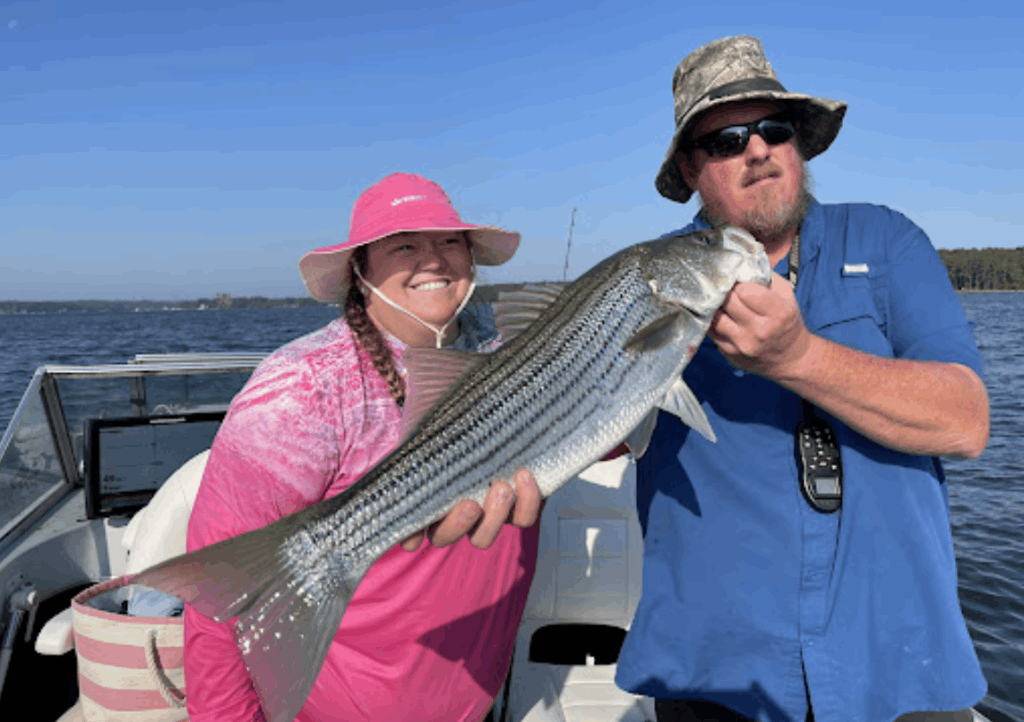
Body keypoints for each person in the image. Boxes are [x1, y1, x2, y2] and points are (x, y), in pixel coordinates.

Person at [614, 36, 990, 722]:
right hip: (716, 676)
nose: (757, 150)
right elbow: (575, 420)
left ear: (800, 146)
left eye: (774, 129)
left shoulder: (887, 243)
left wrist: (798, 358)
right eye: (726, 140)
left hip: (899, 668)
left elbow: (966, 421)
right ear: (692, 169)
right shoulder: (645, 285)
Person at [184, 172, 543, 722]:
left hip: (480, 699)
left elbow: (599, 424)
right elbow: (218, 602)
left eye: (450, 241)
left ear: (472, 258)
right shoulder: (302, 389)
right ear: (360, 271)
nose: (434, 260)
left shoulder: (509, 346)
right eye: (404, 245)